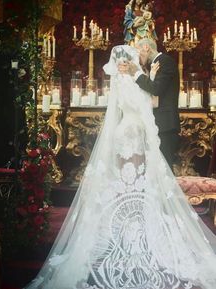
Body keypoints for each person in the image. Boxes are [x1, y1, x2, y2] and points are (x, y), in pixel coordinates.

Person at [24, 45, 216, 289]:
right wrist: (148, 82)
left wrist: (148, 80)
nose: (136, 61)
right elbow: (148, 104)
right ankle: (131, 225)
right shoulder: (127, 82)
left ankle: (129, 223)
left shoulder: (120, 81)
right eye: (133, 59)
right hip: (132, 132)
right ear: (126, 63)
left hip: (126, 130)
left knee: (130, 181)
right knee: (133, 181)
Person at [119, 38, 180, 169]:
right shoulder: (154, 65)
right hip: (156, 124)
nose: (138, 59)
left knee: (165, 168)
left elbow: (156, 89)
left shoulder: (165, 61)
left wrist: (136, 73)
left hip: (165, 124)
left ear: (146, 47)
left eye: (138, 53)